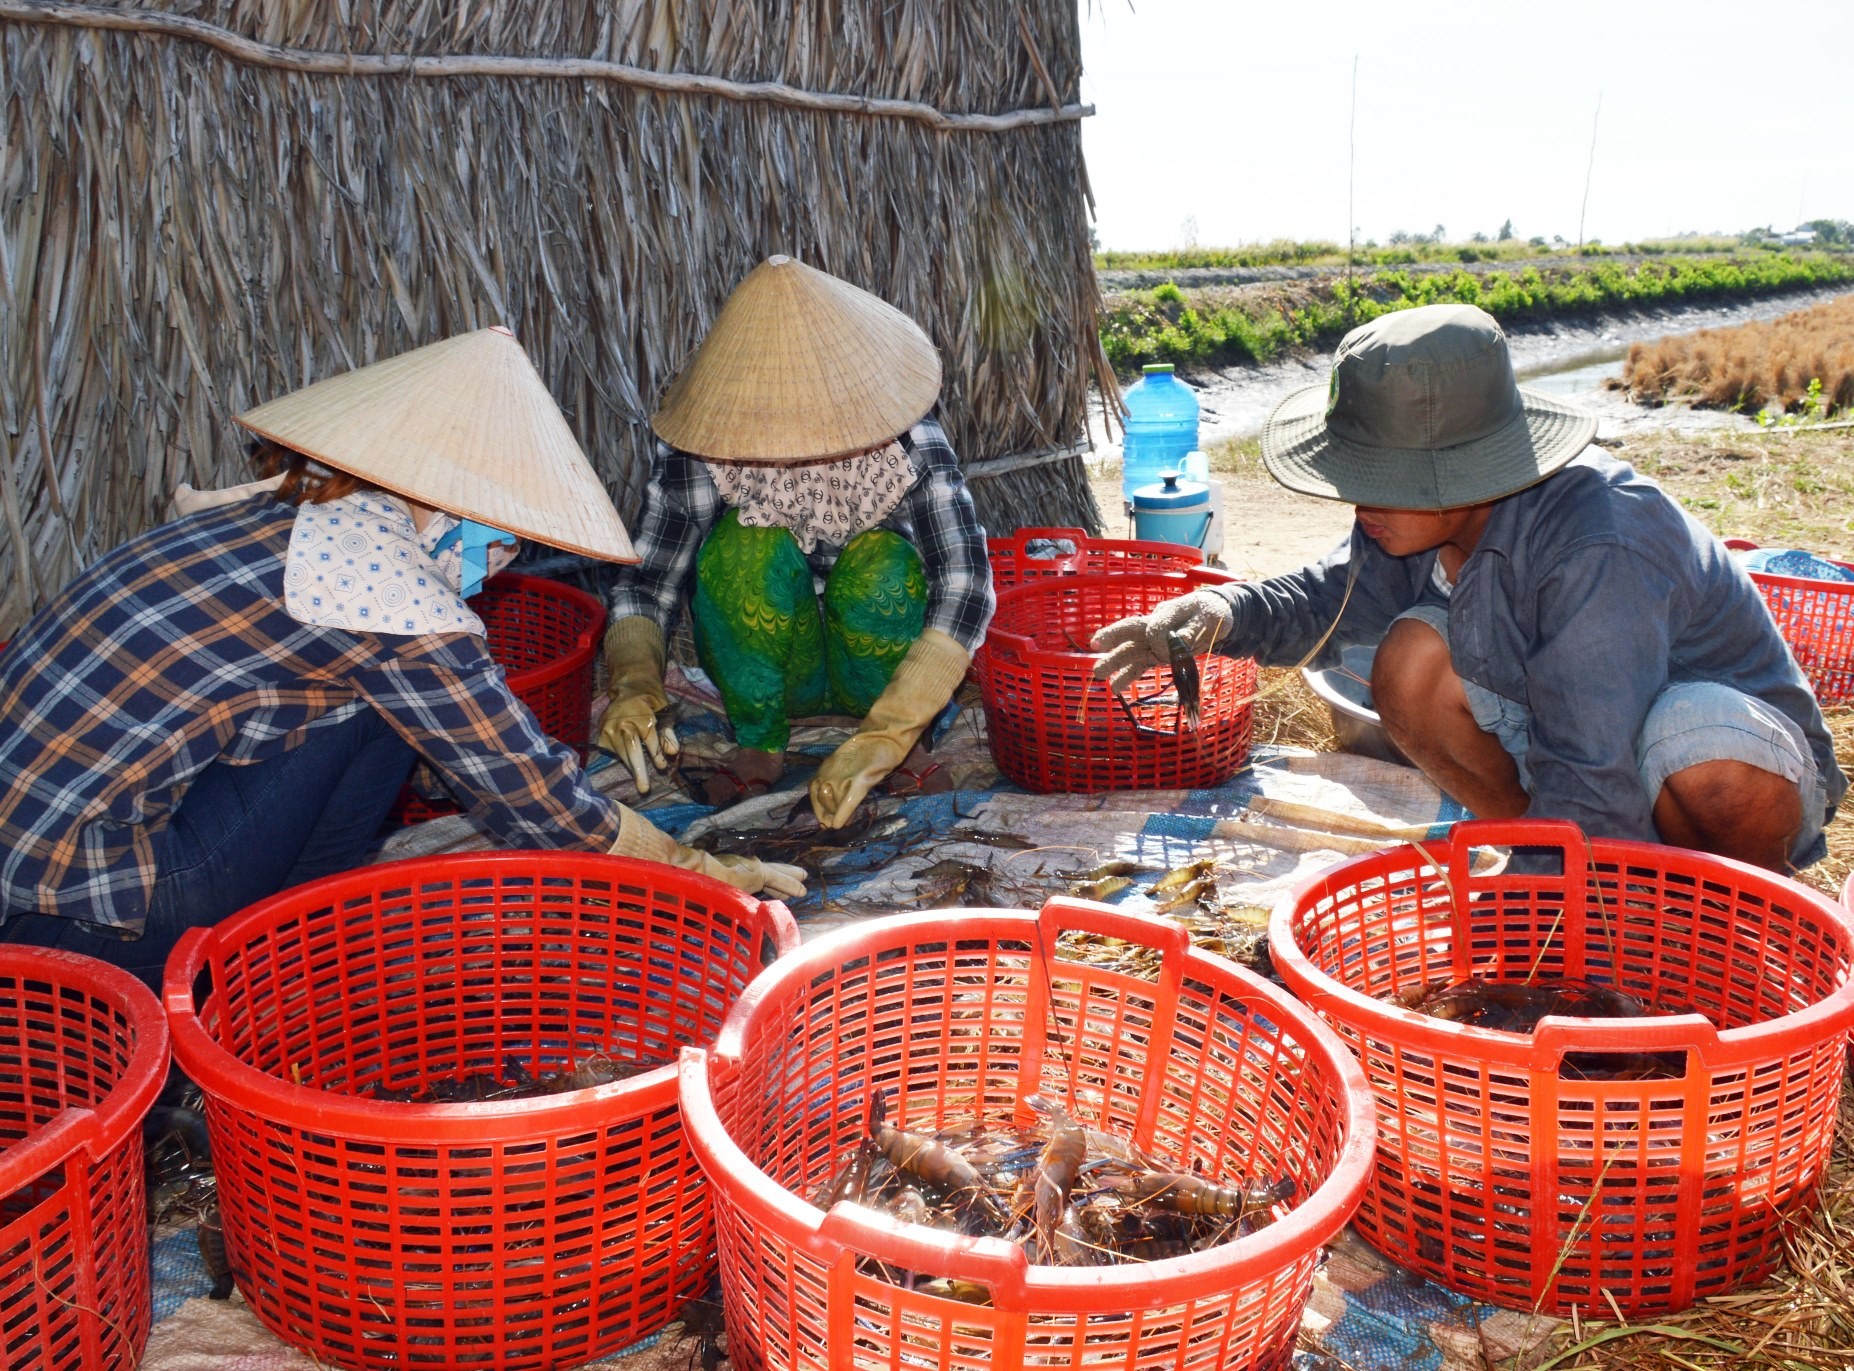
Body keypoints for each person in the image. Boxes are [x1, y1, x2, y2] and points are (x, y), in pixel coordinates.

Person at [0, 327, 804, 990]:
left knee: (379, 715)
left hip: (34, 868)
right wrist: (693, 863)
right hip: (82, 910)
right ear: (433, 497)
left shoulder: (302, 523)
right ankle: (247, 967)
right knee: (387, 719)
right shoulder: (383, 595)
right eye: (495, 532)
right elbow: (537, 803)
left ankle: (268, 949)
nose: (497, 561)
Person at [1092, 304, 1845, 873]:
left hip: (1728, 768)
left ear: (1464, 472)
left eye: (1380, 482)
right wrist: (1221, 610)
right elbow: (1327, 601)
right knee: (1410, 658)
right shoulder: (1415, 521)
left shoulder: (1596, 543)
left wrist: (1530, 939)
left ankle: (1716, 912)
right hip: (1587, 749)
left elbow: (1592, 773)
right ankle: (1566, 876)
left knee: (1688, 734)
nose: (1362, 502)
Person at [597, 255, 994, 826]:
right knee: (742, 546)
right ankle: (760, 739)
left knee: (885, 563)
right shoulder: (702, 444)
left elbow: (965, 583)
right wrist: (634, 681)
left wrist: (891, 730)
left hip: (885, 658)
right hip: (774, 667)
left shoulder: (908, 437)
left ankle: (906, 743)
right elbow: (648, 581)